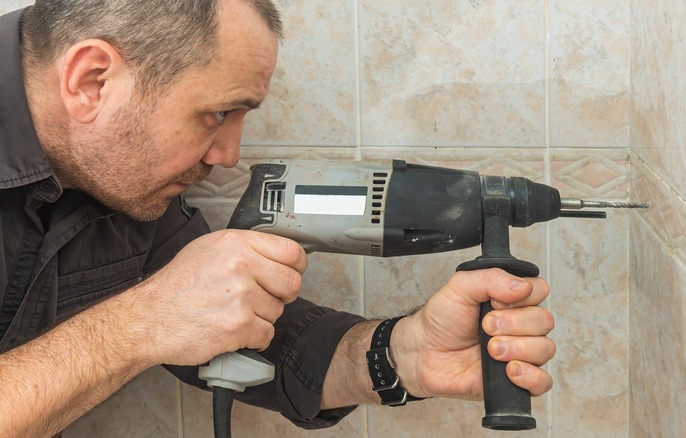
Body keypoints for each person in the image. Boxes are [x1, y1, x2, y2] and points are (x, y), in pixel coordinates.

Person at [0, 0, 556, 436]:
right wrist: (139, 324)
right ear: (91, 80)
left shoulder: (127, 185)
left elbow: (253, 336)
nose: (228, 155)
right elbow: (161, 313)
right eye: (216, 114)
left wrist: (402, 354)